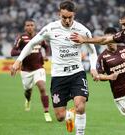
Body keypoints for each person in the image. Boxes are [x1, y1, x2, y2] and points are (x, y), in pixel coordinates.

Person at [10, 1, 98, 135]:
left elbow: (92, 51)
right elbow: (31, 43)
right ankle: (69, 113)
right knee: (60, 116)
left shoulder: (83, 30)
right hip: (58, 77)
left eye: (70, 17)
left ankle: (80, 133)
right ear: (59, 14)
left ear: (74, 15)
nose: (67, 20)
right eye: (64, 17)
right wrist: (18, 61)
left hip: (77, 73)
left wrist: (93, 68)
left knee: (80, 106)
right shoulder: (50, 28)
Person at [10, 19, 52, 122]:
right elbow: (12, 51)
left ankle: (46, 112)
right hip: (25, 70)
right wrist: (25, 51)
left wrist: (46, 55)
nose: (29, 27)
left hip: (38, 67)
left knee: (42, 87)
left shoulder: (40, 37)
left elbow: (47, 47)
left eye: (31, 25)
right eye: (27, 25)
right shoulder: (21, 38)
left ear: (34, 26)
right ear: (25, 27)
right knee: (28, 90)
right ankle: (28, 100)